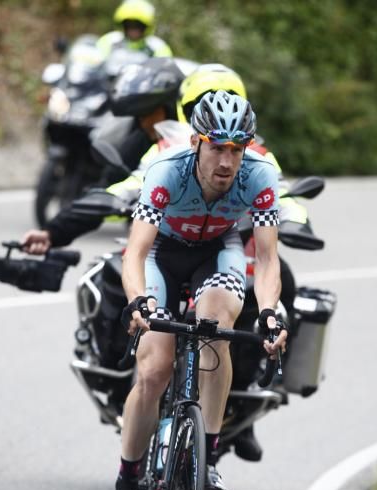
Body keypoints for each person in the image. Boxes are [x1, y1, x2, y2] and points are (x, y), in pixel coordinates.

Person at [23, 61, 312, 464]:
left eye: (235, 148)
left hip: (226, 247)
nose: (226, 159)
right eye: (199, 105)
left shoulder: (258, 161)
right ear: (191, 122)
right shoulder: (166, 158)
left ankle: (242, 414)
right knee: (149, 354)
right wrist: (55, 232)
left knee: (256, 305)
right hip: (163, 247)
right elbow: (119, 201)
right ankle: (121, 404)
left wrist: (297, 225)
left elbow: (283, 201)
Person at [99, 91, 287, 490]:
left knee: (216, 331)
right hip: (162, 255)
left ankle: (208, 454)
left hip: (217, 252)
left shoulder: (260, 176)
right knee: (154, 368)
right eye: (217, 148)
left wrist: (268, 314)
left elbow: (264, 261)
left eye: (236, 149)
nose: (227, 162)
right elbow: (136, 252)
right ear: (197, 142)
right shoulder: (167, 171)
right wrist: (139, 301)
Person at [96, 0, 171, 59]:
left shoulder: (156, 46)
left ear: (146, 27)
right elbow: (95, 61)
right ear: (123, 25)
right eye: (128, 24)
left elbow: (166, 68)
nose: (133, 29)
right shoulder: (110, 41)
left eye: (138, 25)